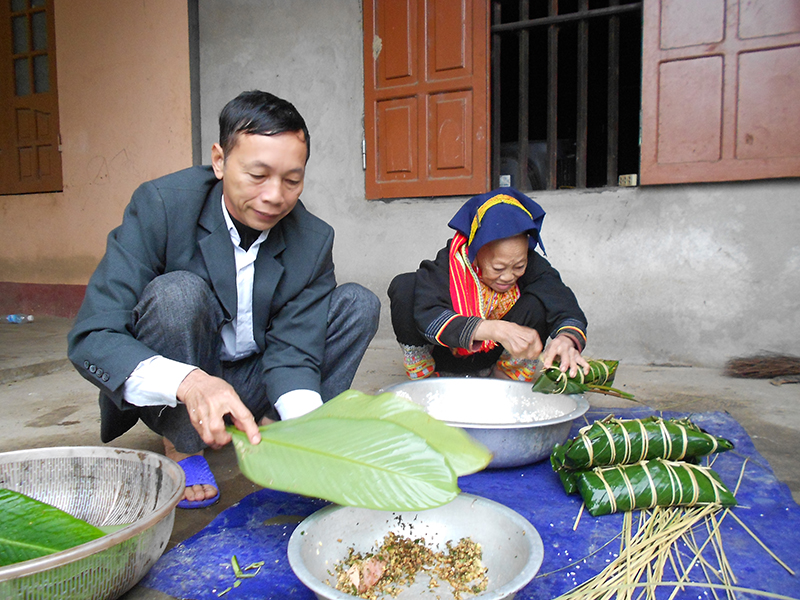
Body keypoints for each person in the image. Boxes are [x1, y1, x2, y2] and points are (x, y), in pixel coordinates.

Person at [68, 90, 380, 508]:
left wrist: (310, 430)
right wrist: (192, 383)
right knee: (177, 292)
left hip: (257, 375)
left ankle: (272, 428)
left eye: (292, 179)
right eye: (258, 175)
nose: (275, 196)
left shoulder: (312, 237)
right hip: (188, 372)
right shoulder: (161, 205)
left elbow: (294, 349)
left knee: (358, 303)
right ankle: (183, 442)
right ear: (219, 161)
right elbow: (94, 334)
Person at [388, 187, 588, 382]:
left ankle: (507, 376)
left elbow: (562, 300)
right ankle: (424, 378)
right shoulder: (449, 264)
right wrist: (493, 329)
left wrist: (566, 339)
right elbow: (428, 316)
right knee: (406, 286)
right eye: (498, 268)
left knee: (539, 301)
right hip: (444, 355)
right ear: (475, 255)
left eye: (519, 266)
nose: (509, 276)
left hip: (493, 357)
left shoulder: (532, 264)